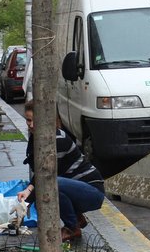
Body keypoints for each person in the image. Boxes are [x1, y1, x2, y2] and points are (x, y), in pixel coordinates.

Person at [17, 100, 105, 241]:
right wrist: (28, 190)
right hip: (74, 187)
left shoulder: (57, 140)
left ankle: (72, 228)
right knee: (52, 184)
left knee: (51, 183)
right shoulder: (37, 136)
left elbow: (47, 176)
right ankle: (76, 219)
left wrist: (25, 204)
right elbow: (41, 171)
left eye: (36, 121)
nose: (31, 125)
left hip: (92, 192)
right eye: (28, 120)